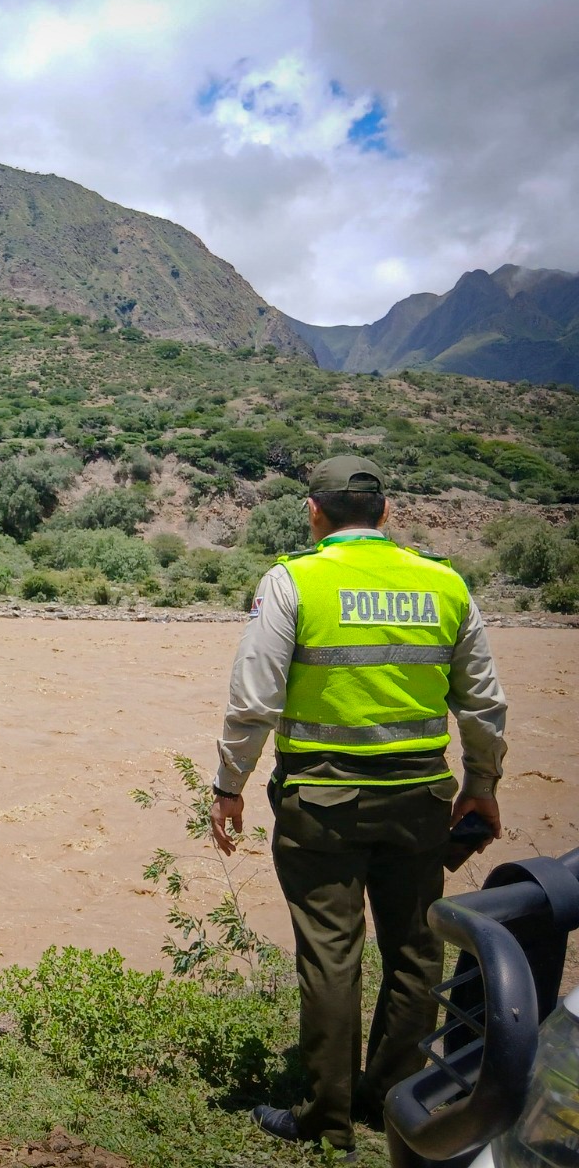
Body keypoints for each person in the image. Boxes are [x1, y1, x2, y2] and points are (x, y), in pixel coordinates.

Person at [209, 455, 508, 1155]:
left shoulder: (294, 581)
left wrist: (229, 787)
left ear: (313, 512)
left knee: (330, 955)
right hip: (421, 799)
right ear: (387, 513)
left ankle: (325, 1119)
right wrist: (483, 786)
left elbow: (254, 701)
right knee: (414, 949)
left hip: (322, 802)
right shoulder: (444, 583)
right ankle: (394, 1100)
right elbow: (485, 704)